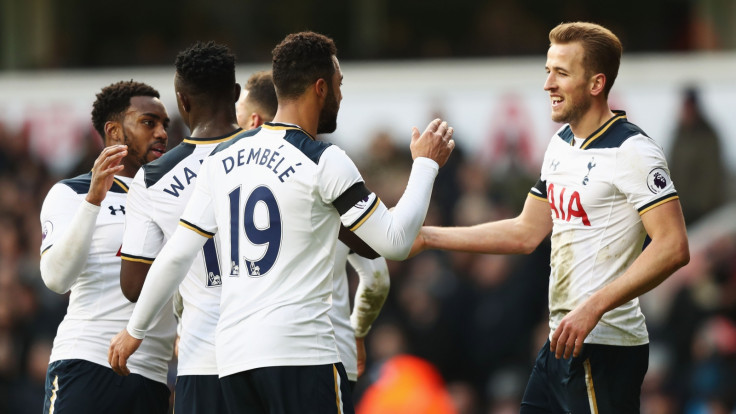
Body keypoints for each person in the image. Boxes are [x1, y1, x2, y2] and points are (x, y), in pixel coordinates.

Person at [109, 30, 454, 414]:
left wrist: (133, 331)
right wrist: (425, 165)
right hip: (301, 355)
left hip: (235, 362)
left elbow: (176, 255)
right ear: (321, 88)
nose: (341, 95)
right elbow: (395, 242)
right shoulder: (324, 159)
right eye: (340, 85)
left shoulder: (223, 158)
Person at [412, 22, 690, 413]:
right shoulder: (560, 144)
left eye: (561, 72)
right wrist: (427, 237)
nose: (548, 84)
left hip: (604, 346)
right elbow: (526, 232)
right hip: (561, 343)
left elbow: (674, 246)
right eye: (547, 71)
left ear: (596, 84)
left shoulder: (634, 151)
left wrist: (593, 307)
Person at [235, 70, 392, 388]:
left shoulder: (226, 181)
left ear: (253, 122)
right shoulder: (323, 172)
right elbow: (377, 277)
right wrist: (358, 332)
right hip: (323, 355)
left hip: (240, 358)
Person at [117, 41, 243, 414]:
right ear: (235, 94)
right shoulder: (271, 154)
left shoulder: (151, 179)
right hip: (270, 353)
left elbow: (134, 286)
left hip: (202, 356)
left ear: (181, 101)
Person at [39, 80, 174, 413]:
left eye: (164, 125)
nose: (161, 133)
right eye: (148, 122)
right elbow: (57, 280)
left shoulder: (174, 194)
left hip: (153, 375)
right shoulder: (70, 192)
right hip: (87, 364)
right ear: (114, 130)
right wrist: (93, 202)